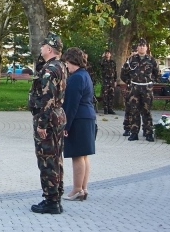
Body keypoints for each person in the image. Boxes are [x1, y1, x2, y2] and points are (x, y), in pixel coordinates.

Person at [28, 32, 67, 215]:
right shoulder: (60, 66)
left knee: (47, 159)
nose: (41, 49)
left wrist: (41, 124)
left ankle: (51, 200)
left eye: (43, 46)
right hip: (58, 116)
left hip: (48, 118)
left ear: (49, 48)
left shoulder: (50, 70)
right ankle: (56, 195)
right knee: (56, 157)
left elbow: (47, 99)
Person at [62, 48, 95, 202]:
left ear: (72, 61)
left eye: (67, 62)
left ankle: (76, 189)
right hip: (87, 117)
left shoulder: (75, 78)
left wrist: (66, 125)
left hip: (78, 119)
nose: (66, 66)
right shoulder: (85, 75)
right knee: (83, 155)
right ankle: (83, 188)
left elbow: (71, 104)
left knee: (77, 156)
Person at [120, 38, 159, 142]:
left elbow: (157, 73)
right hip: (134, 89)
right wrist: (130, 81)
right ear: (137, 47)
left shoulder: (151, 60)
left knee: (147, 111)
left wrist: (150, 81)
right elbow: (123, 73)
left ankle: (148, 133)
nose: (142, 47)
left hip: (146, 89)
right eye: (140, 45)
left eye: (144, 46)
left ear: (146, 48)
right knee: (134, 111)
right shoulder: (131, 60)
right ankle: (134, 132)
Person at [99, 49, 116, 115]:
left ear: (110, 54)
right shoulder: (103, 61)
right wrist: (102, 57)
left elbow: (115, 71)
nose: (107, 54)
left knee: (111, 95)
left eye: (108, 53)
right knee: (105, 95)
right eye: (106, 53)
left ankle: (110, 109)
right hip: (105, 80)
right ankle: (105, 109)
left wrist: (115, 80)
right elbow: (100, 63)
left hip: (111, 80)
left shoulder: (113, 62)